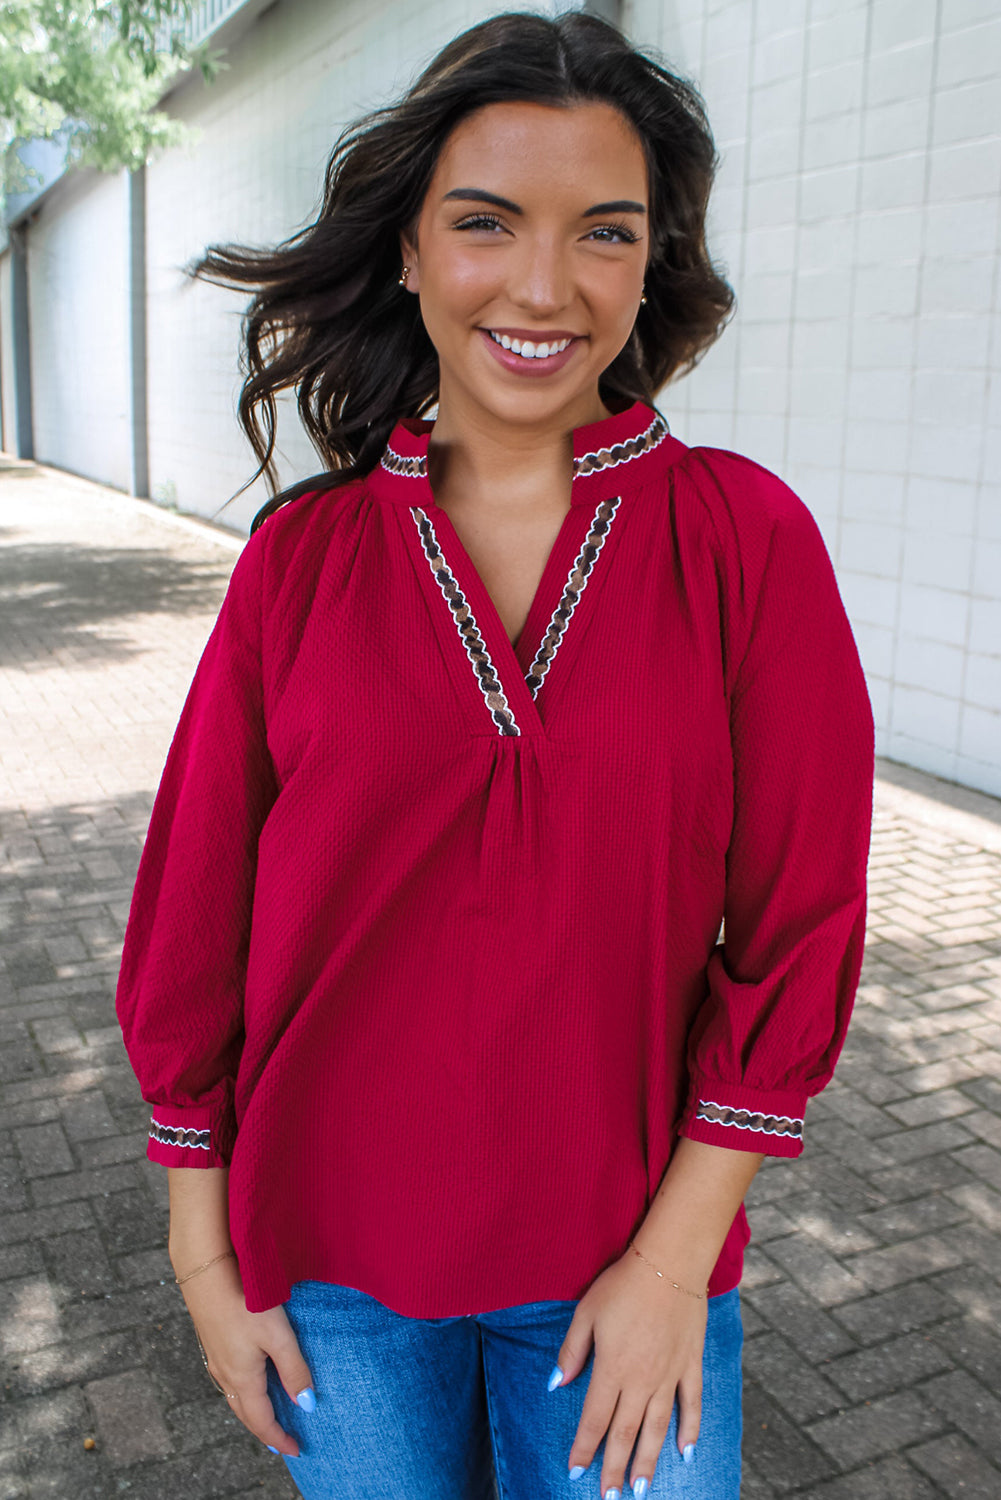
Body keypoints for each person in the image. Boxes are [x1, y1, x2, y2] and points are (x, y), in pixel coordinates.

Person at [114, 8, 875, 1499]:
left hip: (627, 1258)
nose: (542, 285)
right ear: (408, 249)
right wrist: (202, 1251)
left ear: (649, 262)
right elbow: (196, 915)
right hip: (328, 1263)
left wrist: (672, 1265)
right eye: (484, 223)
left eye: (604, 233)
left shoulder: (744, 541)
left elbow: (800, 926)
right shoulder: (301, 562)